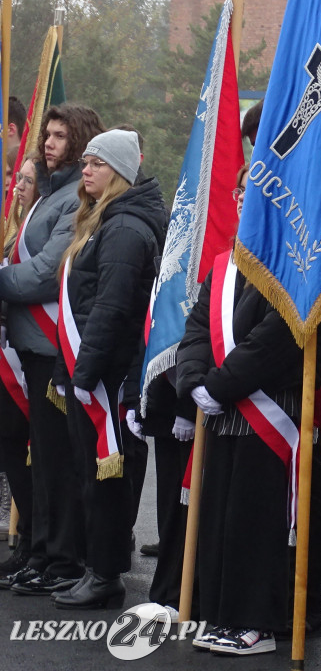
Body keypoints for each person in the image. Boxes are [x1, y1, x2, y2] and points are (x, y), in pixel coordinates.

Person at [49, 129, 165, 609]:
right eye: (86, 161)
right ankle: (97, 568)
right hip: (99, 370)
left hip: (110, 376)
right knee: (93, 475)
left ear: (118, 171)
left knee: (108, 478)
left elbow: (112, 308)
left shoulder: (124, 228)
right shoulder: (107, 219)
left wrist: (83, 374)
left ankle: (106, 574)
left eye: (97, 163)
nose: (86, 169)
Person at [0, 104, 103, 595]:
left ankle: (61, 559)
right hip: (29, 346)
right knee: (39, 457)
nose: (49, 142)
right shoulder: (46, 194)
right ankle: (40, 552)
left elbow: (45, 272)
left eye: (60, 135)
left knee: (57, 461)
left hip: (52, 347)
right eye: (47, 134)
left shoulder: (73, 200)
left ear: (81, 141)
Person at [0, 154, 41, 568]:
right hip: (9, 355)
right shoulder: (14, 231)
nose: (18, 186)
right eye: (16, 178)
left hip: (25, 358)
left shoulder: (37, 230)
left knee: (21, 450)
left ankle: (33, 538)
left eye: (27, 179)